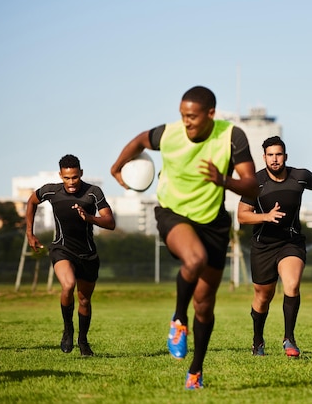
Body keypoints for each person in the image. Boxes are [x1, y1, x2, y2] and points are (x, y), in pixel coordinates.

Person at [110, 86, 258, 389]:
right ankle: (178, 320)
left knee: (205, 305)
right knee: (194, 259)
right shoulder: (169, 134)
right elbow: (140, 140)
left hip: (213, 223)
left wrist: (223, 180)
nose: (185, 122)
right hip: (173, 213)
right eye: (182, 115)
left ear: (210, 115)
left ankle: (196, 371)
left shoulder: (232, 136)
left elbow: (252, 186)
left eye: (191, 117)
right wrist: (116, 168)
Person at [237, 136, 312, 357]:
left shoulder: (300, 177)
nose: (275, 159)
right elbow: (242, 216)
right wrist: (265, 216)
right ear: (264, 158)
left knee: (292, 284)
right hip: (263, 246)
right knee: (263, 296)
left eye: (278, 154)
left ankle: (289, 339)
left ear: (285, 156)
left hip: (291, 242)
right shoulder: (256, 182)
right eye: (270, 155)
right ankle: (257, 341)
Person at [26, 154, 116, 357]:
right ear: (61, 175)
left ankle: (83, 341)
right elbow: (31, 202)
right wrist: (30, 233)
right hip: (62, 249)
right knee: (68, 285)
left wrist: (89, 217)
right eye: (67, 178)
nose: (71, 182)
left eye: (75, 177)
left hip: (88, 254)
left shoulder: (93, 193)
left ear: (81, 173)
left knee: (84, 300)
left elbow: (110, 222)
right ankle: (68, 329)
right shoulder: (51, 191)